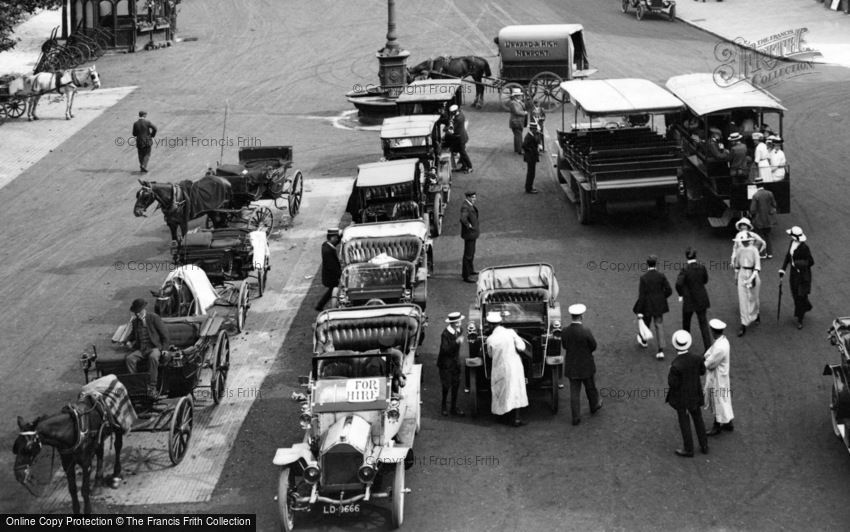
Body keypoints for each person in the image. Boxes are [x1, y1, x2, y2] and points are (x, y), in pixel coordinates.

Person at [666, 330, 708, 457]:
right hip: (695, 394)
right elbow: (702, 371)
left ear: (676, 345)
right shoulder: (697, 358)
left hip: (682, 398)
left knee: (684, 421)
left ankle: (688, 449)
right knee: (698, 419)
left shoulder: (676, 365)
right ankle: (704, 445)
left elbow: (673, 383)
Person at [485, 312, 528, 426]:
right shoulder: (510, 332)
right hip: (514, 366)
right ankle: (516, 419)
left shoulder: (490, 339)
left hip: (499, 367)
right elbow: (522, 347)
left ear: (490, 325)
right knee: (516, 390)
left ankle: (501, 416)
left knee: (500, 390)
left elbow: (490, 355)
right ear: (500, 323)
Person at [562, 304, 601, 426]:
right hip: (586, 365)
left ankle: (576, 417)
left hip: (572, 366)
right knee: (590, 387)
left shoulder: (565, 331)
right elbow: (593, 346)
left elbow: (565, 346)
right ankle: (594, 405)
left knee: (574, 392)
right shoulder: (585, 332)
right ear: (581, 316)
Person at [124, 298, 170, 398]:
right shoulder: (135, 322)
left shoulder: (153, 318)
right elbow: (132, 335)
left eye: (138, 312)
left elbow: (165, 334)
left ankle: (152, 387)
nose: (137, 314)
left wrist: (165, 349)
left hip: (154, 348)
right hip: (142, 349)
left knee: (153, 357)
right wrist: (127, 341)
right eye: (136, 312)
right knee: (129, 359)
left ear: (143, 310)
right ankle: (136, 385)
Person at [633, 255, 673, 360]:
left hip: (647, 305)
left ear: (647, 264)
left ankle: (644, 340)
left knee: (646, 323)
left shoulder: (644, 278)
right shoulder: (661, 276)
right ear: (656, 264)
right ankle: (660, 350)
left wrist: (639, 310)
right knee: (659, 325)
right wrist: (661, 298)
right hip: (659, 305)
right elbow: (669, 290)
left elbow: (641, 295)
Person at [675, 247, 712, 353]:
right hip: (701, 298)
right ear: (695, 256)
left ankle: (684, 346)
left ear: (686, 256)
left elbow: (678, 284)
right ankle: (708, 348)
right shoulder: (702, 267)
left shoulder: (685, 269)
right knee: (703, 324)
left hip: (689, 300)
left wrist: (681, 294)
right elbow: (705, 280)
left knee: (686, 323)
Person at [779, 226, 814, 329]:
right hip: (794, 274)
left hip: (803, 275)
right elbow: (788, 256)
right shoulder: (792, 243)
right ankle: (805, 306)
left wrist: (798, 264)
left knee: (800, 296)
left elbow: (811, 261)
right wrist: (783, 269)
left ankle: (800, 319)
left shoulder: (804, 248)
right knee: (795, 294)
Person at [704, 319, 734, 435]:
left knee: (718, 401)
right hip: (722, 376)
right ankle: (728, 422)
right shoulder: (723, 341)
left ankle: (716, 426)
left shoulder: (720, 347)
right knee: (724, 399)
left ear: (714, 331)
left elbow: (710, 363)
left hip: (718, 378)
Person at [732, 233, 761, 337]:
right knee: (743, 299)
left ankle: (756, 313)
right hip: (742, 274)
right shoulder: (739, 249)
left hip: (752, 274)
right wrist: (736, 275)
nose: (743, 242)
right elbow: (737, 264)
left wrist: (751, 278)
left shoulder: (754, 250)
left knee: (753, 297)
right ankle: (744, 323)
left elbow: (757, 266)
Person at [437, 312, 465, 416]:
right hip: (445, 364)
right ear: (452, 323)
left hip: (455, 362)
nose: (459, 324)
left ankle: (453, 407)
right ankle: (444, 406)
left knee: (456, 385)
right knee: (446, 385)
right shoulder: (445, 334)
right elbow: (445, 350)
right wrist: (456, 342)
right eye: (456, 322)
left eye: (459, 321)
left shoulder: (460, 330)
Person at [315, 228, 341, 311]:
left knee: (331, 291)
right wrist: (340, 275)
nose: (337, 239)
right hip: (331, 277)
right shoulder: (328, 251)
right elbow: (332, 266)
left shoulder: (326, 245)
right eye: (336, 237)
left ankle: (319, 306)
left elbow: (336, 242)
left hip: (329, 276)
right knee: (333, 291)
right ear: (332, 238)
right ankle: (320, 306)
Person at [750, 183, 778, 259]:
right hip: (768, 219)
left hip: (759, 220)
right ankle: (770, 253)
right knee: (767, 235)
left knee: (760, 237)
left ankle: (762, 254)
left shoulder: (755, 195)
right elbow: (774, 204)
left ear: (756, 186)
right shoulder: (769, 193)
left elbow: (752, 209)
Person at [446, 104, 472, 173]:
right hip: (462, 137)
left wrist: (447, 129)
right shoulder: (460, 113)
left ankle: (470, 167)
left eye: (452, 113)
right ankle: (464, 166)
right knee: (461, 152)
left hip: (460, 139)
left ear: (454, 112)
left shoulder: (459, 118)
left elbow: (452, 129)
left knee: (463, 153)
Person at [459, 191, 479, 283]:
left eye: (474, 197)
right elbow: (463, 219)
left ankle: (470, 270)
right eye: (473, 197)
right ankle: (466, 275)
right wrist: (469, 225)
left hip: (472, 234)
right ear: (468, 197)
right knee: (468, 255)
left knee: (471, 253)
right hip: (469, 234)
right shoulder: (465, 206)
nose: (474, 199)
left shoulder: (468, 205)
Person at [507, 88, 527, 155]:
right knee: (519, 136)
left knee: (517, 135)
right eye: (519, 95)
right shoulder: (513, 103)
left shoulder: (519, 102)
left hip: (518, 122)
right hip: (516, 122)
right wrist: (524, 113)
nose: (521, 96)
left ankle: (517, 149)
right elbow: (517, 112)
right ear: (516, 96)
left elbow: (523, 106)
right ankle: (520, 150)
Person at [521, 129, 540, 194]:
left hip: (531, 157)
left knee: (531, 172)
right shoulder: (529, 137)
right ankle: (529, 188)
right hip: (531, 157)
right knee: (531, 173)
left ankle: (529, 187)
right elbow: (524, 145)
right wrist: (531, 150)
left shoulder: (530, 135)